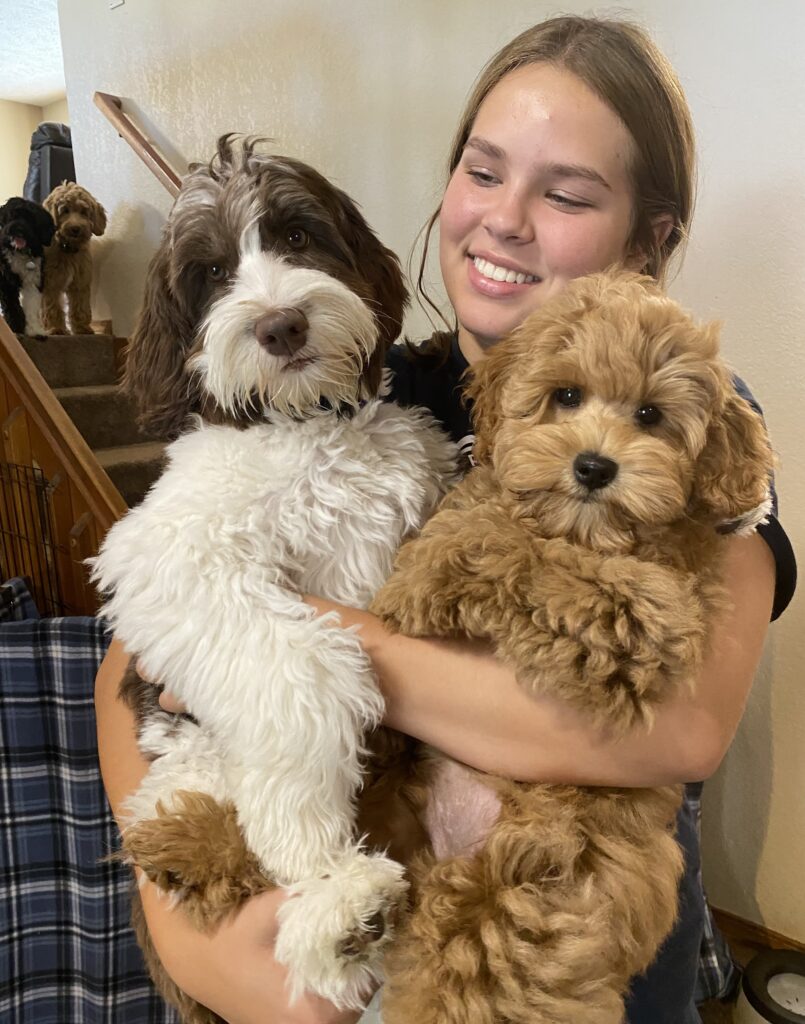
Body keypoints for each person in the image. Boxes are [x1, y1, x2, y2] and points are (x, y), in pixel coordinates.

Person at [94, 14, 797, 1024]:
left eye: (563, 194)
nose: (504, 218)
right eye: (481, 170)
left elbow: (677, 731)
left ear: (651, 239)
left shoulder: (689, 417)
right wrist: (176, 920)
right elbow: (134, 661)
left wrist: (324, 642)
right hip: (378, 936)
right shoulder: (373, 399)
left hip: (573, 966)